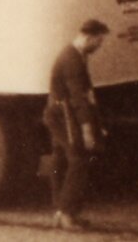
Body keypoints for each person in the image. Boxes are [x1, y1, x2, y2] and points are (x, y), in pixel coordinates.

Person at [45, 19, 108, 231]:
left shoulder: (76, 55)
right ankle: (67, 214)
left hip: (59, 113)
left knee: (61, 160)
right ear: (89, 37)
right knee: (79, 160)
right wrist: (87, 129)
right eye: (99, 41)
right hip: (65, 114)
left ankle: (60, 212)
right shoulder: (72, 59)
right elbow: (79, 98)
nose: (100, 46)